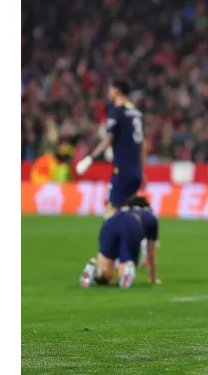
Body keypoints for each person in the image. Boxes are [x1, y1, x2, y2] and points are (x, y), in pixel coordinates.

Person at [75, 79, 146, 217]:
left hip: (122, 170)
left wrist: (89, 158)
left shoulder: (117, 112)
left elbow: (108, 139)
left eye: (110, 90)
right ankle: (137, 237)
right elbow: (142, 144)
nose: (108, 93)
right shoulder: (137, 113)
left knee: (112, 212)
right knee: (129, 211)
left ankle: (113, 238)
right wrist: (142, 171)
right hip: (136, 171)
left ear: (117, 91)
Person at [79, 208, 144, 289]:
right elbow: (150, 248)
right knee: (122, 274)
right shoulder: (148, 217)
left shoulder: (119, 209)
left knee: (107, 277)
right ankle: (126, 273)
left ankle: (95, 270)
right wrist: (153, 279)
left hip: (109, 225)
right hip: (131, 226)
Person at [124, 196, 161, 285]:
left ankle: (102, 272)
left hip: (119, 225)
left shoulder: (123, 212)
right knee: (148, 251)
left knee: (116, 254)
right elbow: (151, 254)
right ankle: (128, 271)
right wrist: (153, 279)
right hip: (144, 226)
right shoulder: (150, 217)